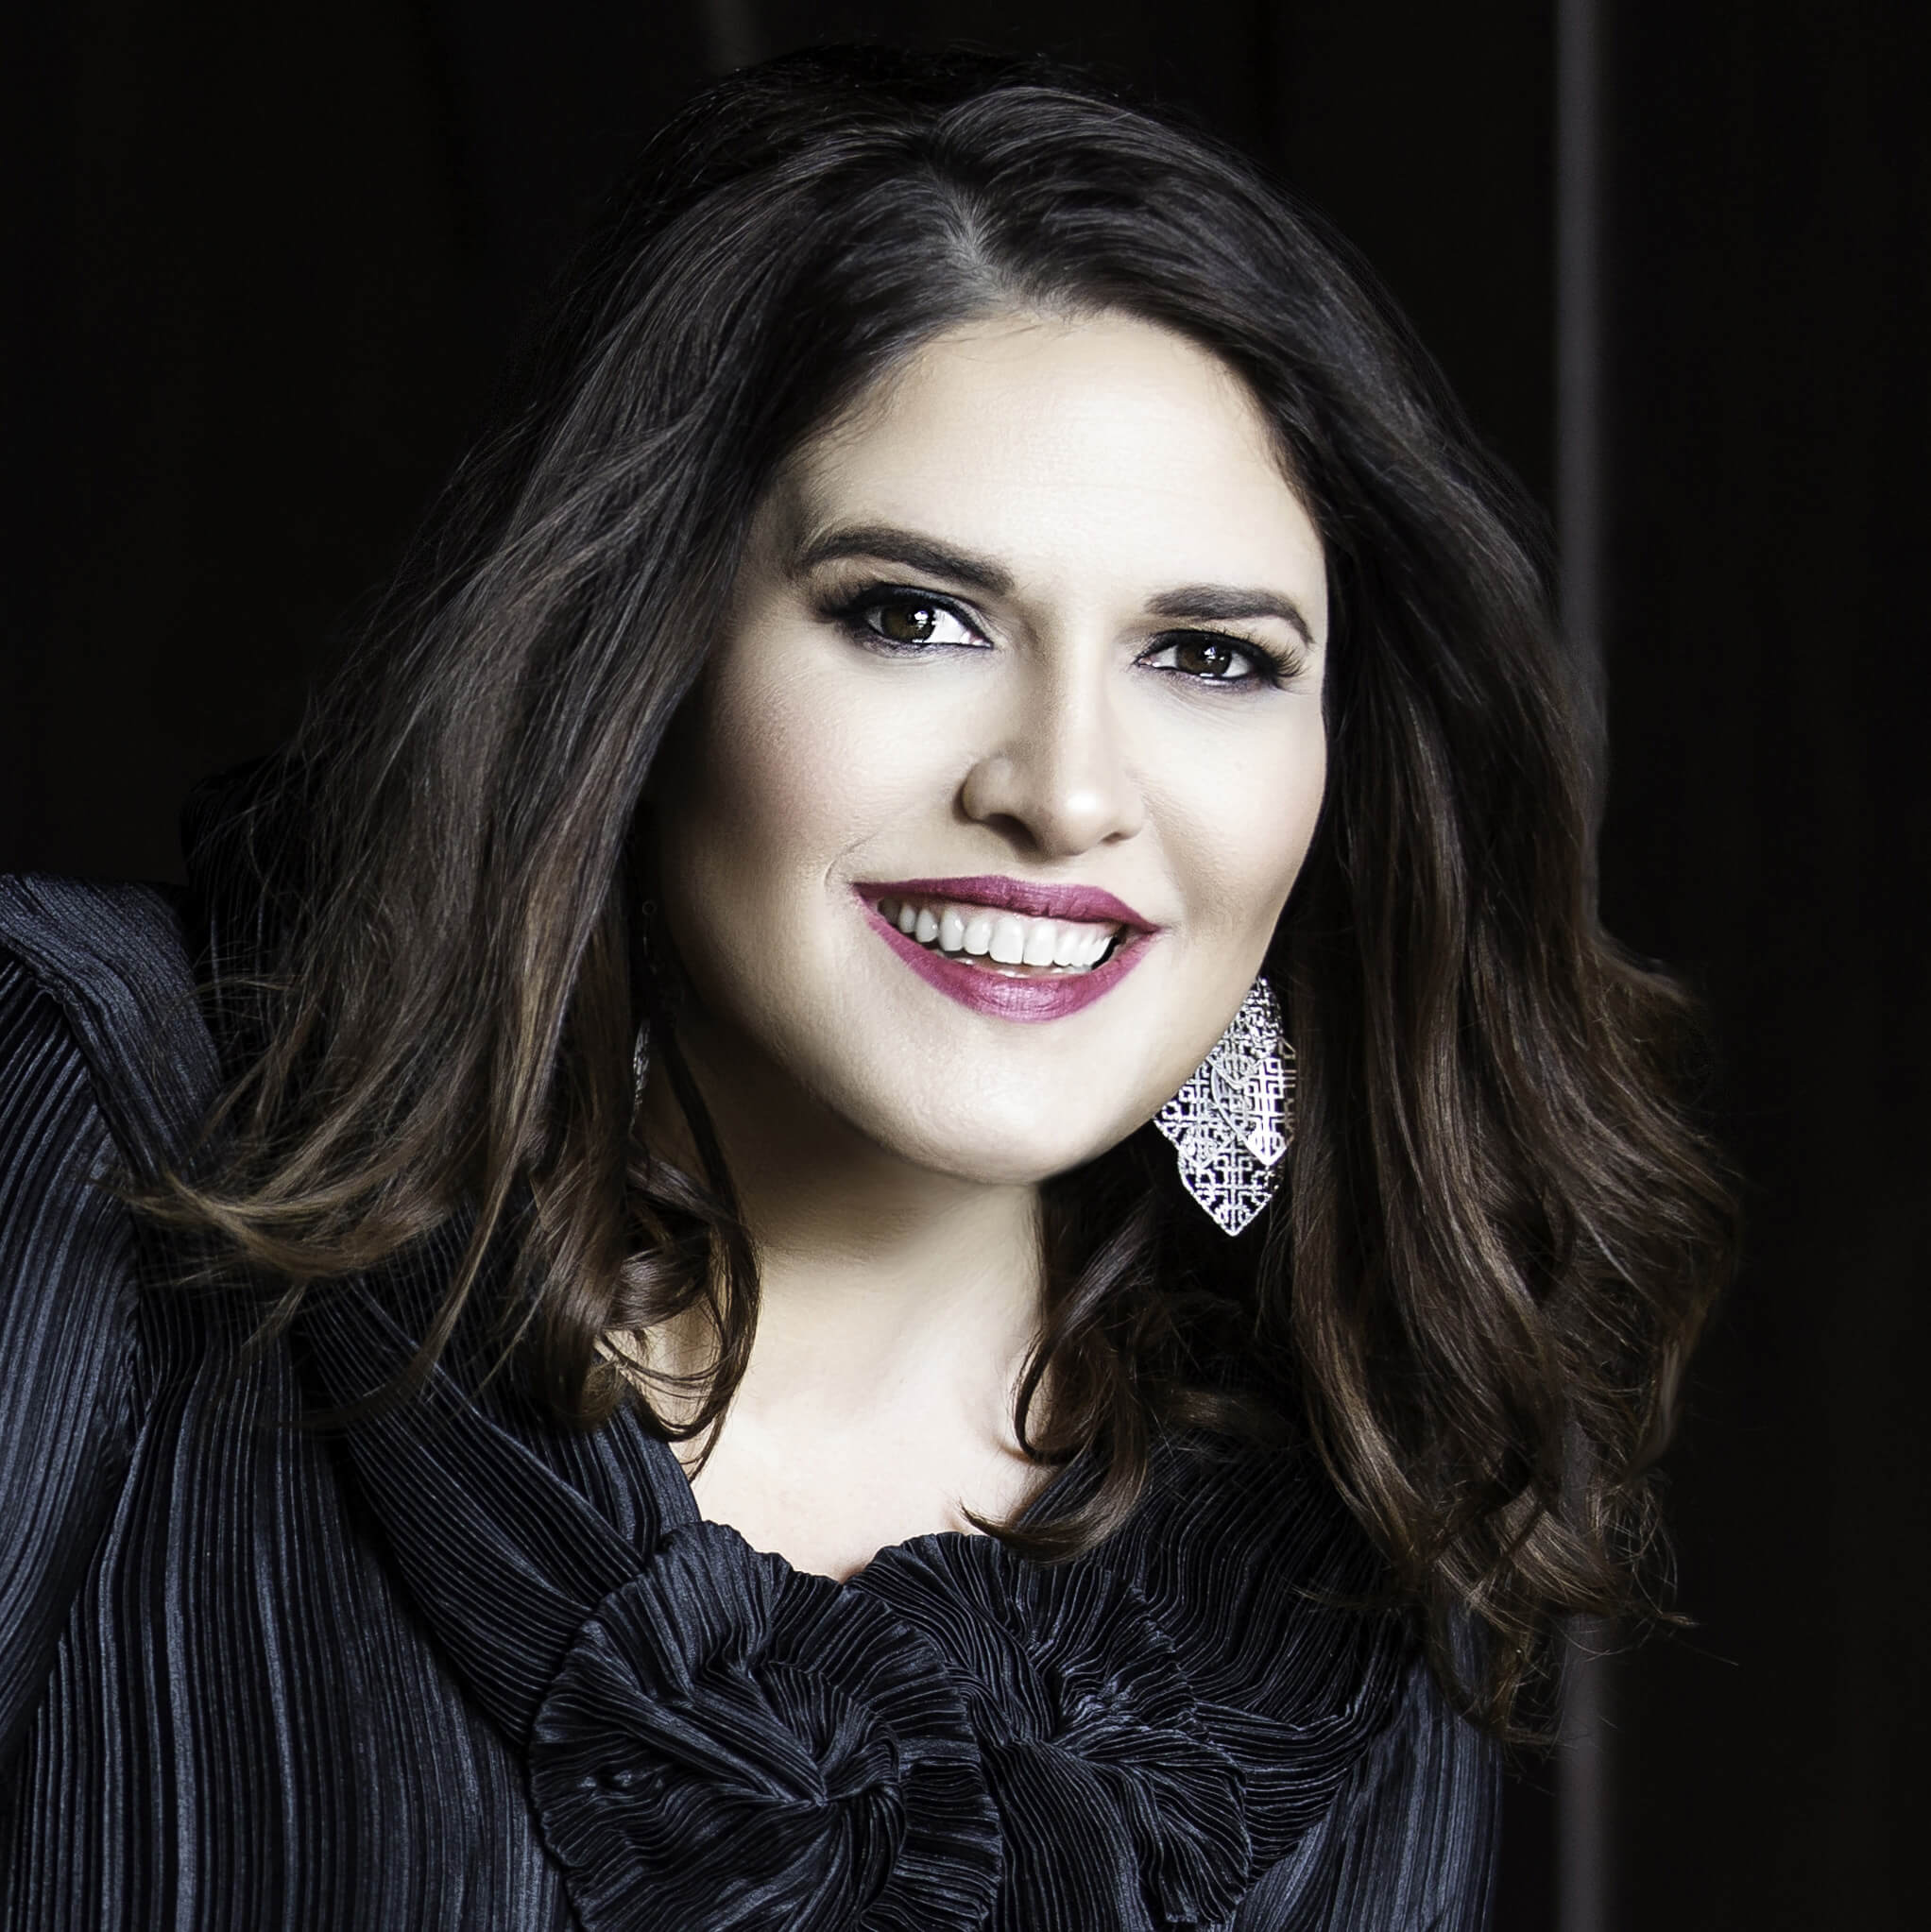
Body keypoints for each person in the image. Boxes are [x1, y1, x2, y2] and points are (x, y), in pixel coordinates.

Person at [0, 45, 1733, 1930]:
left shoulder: (1336, 1596)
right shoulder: (103, 1112)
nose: (1062, 788)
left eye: (1211, 656)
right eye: (911, 616)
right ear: (639, 665)